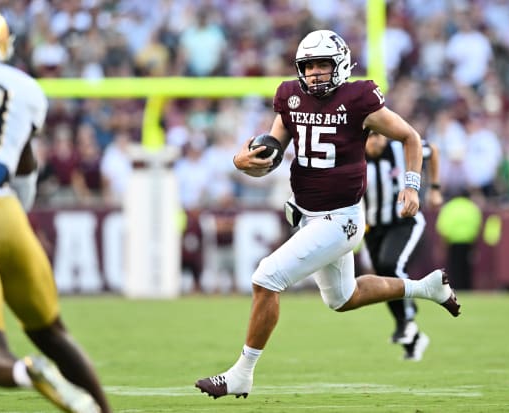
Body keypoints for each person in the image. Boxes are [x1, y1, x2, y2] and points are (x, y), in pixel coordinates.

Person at [195, 29, 460, 399]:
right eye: (310, 66)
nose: (316, 73)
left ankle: (242, 373)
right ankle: (426, 287)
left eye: (323, 65)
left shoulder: (359, 98)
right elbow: (269, 158)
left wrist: (412, 185)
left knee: (266, 277)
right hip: (307, 214)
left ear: (341, 65)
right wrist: (242, 162)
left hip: (342, 219)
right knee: (343, 298)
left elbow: (411, 137)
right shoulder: (289, 97)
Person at [0, 4, 110, 413]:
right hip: (6, 213)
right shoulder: (26, 88)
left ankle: (26, 372)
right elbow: (24, 166)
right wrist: (16, 219)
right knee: (52, 332)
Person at [361, 131, 443, 361]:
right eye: (368, 137)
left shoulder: (400, 148)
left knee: (391, 265)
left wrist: (435, 188)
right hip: (373, 227)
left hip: (404, 221)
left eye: (377, 135)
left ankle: (406, 319)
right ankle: (413, 338)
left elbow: (432, 150)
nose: (373, 141)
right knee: (384, 281)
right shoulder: (356, 154)